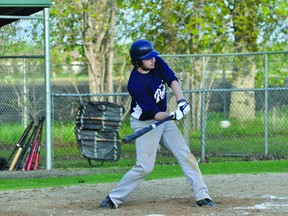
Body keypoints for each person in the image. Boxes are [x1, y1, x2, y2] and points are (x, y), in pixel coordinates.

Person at [100, 39, 216, 209]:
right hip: (145, 122)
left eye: (153, 56)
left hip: (164, 120)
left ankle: (202, 196)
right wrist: (172, 115)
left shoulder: (157, 63)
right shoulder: (135, 84)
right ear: (138, 61)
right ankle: (113, 198)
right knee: (145, 167)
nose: (153, 60)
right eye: (148, 58)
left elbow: (172, 79)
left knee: (186, 155)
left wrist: (181, 101)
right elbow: (154, 113)